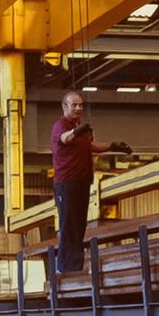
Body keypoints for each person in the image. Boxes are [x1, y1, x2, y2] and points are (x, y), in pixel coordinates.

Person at [50, 90, 129, 274]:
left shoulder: (81, 128)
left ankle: (75, 267)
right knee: (68, 224)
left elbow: (91, 146)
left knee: (79, 225)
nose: (78, 108)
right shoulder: (60, 125)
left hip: (82, 182)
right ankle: (64, 268)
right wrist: (78, 130)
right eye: (74, 105)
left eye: (80, 105)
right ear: (64, 107)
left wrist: (113, 145)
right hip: (66, 183)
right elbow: (65, 138)